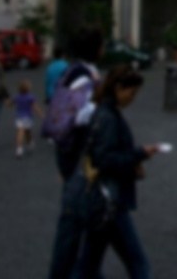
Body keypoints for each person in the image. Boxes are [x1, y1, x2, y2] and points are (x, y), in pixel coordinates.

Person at [79, 66, 160, 278]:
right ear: (118, 88)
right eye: (131, 93)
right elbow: (105, 160)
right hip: (111, 200)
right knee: (138, 264)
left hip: (101, 198)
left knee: (88, 265)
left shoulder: (103, 112)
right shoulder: (108, 117)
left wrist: (137, 155)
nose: (132, 99)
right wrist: (138, 155)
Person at [47, 26, 104, 279]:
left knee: (83, 223)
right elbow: (79, 115)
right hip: (79, 157)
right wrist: (102, 107)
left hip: (77, 157)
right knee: (72, 225)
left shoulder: (76, 71)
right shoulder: (82, 76)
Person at [9, 79, 44, 157]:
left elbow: (10, 103)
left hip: (19, 117)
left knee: (20, 132)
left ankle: (19, 148)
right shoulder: (30, 97)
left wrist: (8, 103)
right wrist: (41, 114)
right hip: (28, 117)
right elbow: (35, 107)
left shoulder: (17, 96)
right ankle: (28, 143)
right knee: (26, 132)